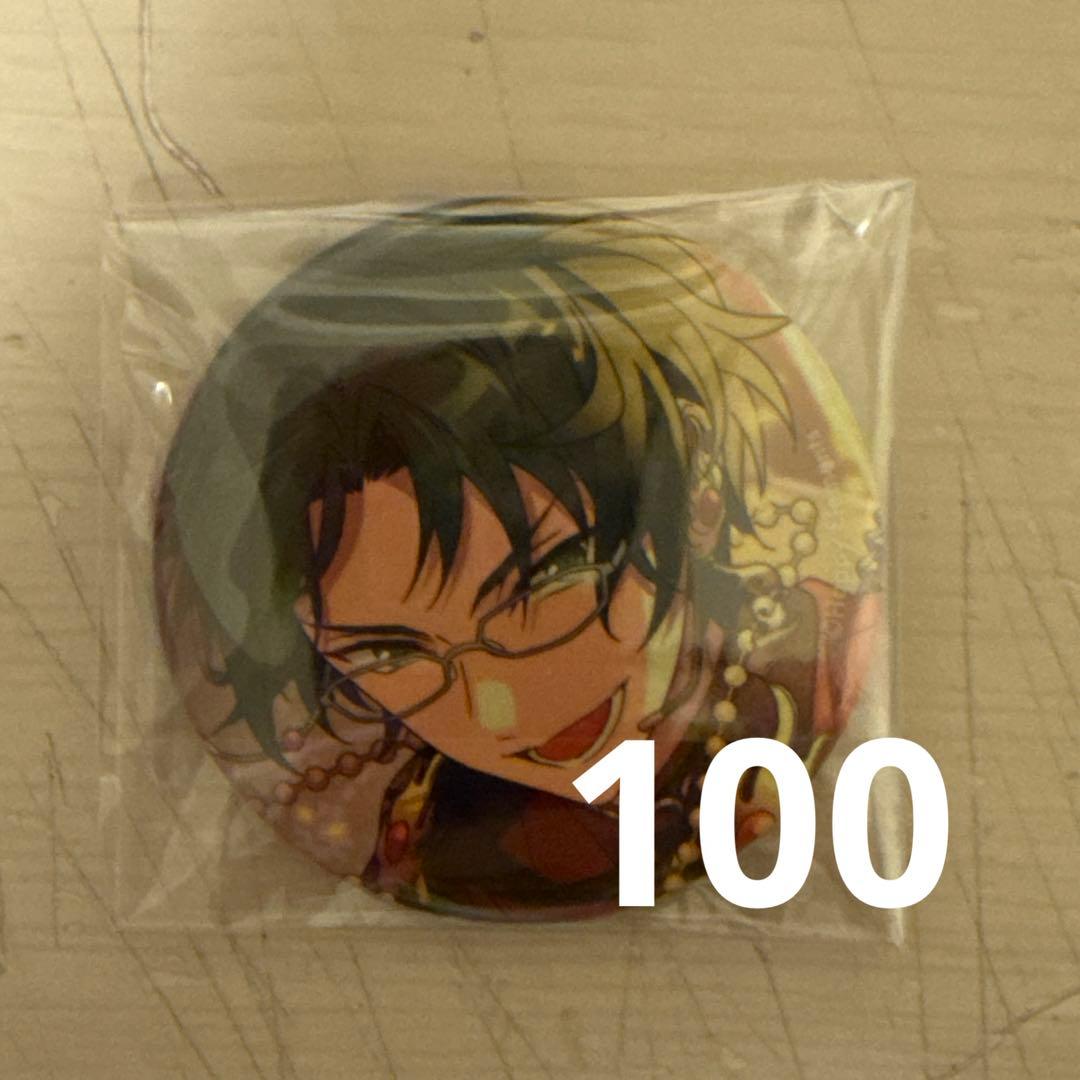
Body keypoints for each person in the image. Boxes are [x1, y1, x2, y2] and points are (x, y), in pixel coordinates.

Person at [155, 201, 881, 919]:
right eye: (388, 653)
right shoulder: (432, 835)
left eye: (540, 588)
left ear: (694, 498)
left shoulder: (815, 665)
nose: (499, 710)